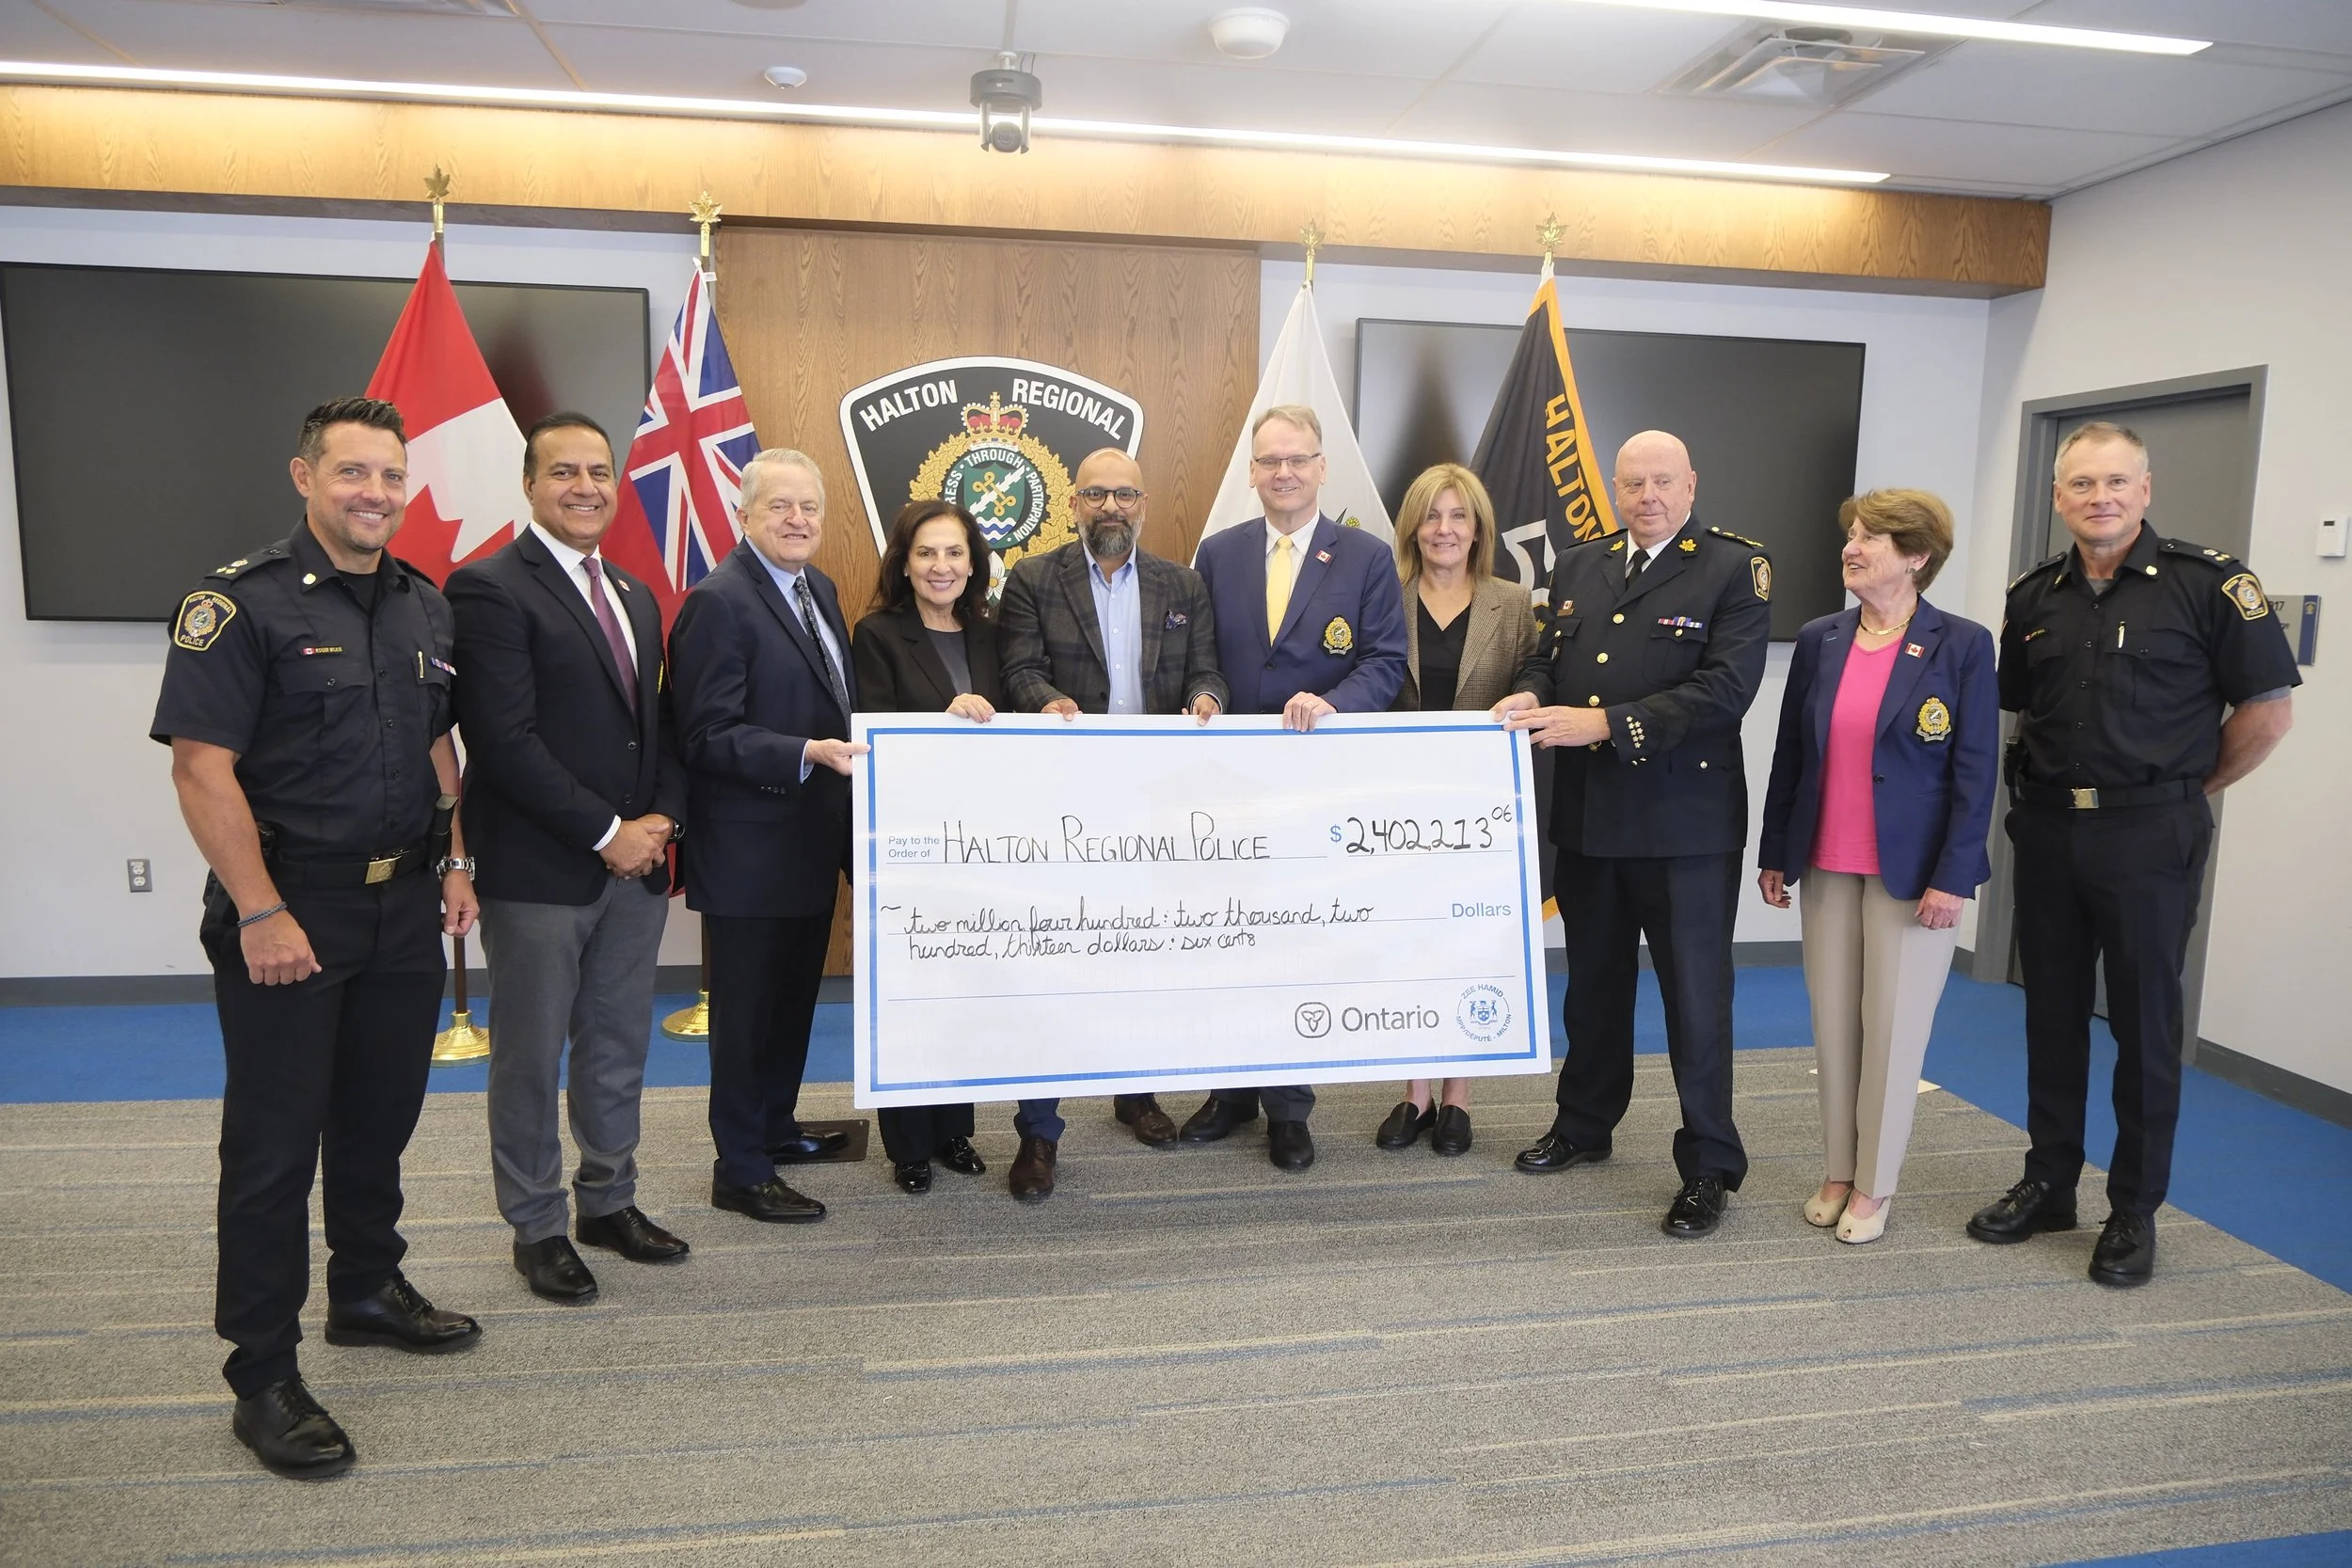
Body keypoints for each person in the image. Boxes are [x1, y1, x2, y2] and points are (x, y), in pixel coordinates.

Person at [151, 396, 483, 1481]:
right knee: (273, 1147)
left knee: (380, 1117)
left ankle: (366, 1289)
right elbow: (202, 768)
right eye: (351, 474)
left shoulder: (423, 606)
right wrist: (259, 908)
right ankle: (263, 1372)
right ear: (305, 478)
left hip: (399, 910)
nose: (374, 494)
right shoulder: (236, 603)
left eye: (389, 476)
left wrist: (457, 861)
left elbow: (441, 749)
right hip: (289, 910)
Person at [1968, 421, 2296, 1286]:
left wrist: (2186, 794)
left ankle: (2133, 1209)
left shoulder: (2212, 584)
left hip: (2151, 834)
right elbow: (2019, 707)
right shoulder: (2034, 594)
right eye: (2082, 484)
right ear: (2058, 497)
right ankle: (2050, 1182)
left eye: (2116, 481)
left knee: (2147, 1023)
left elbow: (2266, 714)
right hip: (2046, 829)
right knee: (2050, 1013)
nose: (2100, 497)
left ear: (2146, 489)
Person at [1493, 430, 1771, 1238]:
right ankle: (1583, 1124)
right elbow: (1551, 660)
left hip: (1684, 827)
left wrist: (1605, 725)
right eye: (1632, 483)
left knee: (1695, 1000)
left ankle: (1711, 1163)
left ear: (1690, 485)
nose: (1646, 495)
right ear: (1615, 488)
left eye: (1662, 481)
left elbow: (1724, 691)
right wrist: (1525, 691)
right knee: (1594, 987)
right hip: (1589, 819)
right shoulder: (1580, 564)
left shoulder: (1733, 568)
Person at [446, 412, 691, 1306]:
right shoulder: (487, 589)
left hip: (636, 870)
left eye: (599, 470)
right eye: (564, 472)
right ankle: (538, 1226)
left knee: (618, 1045)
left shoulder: (634, 594)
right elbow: (503, 742)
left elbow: (658, 727)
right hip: (544, 873)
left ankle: (608, 1201)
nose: (585, 486)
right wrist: (607, 832)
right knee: (530, 1054)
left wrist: (661, 816)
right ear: (529, 484)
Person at [1757, 489, 1997, 1244]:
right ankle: (1837, 1167)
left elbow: (1976, 767)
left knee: (1892, 1033)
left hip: (1912, 874)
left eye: (1872, 538)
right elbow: (1791, 754)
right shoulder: (1821, 637)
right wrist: (1774, 852)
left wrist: (1955, 874)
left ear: (1917, 555)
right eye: (1851, 535)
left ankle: (1876, 1182)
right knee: (1834, 1028)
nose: (1852, 548)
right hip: (1826, 862)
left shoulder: (1961, 644)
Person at [1183, 404, 1408, 1170]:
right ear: (1252, 471)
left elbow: (1385, 661)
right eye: (1270, 461)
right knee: (1227, 941)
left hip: (1317, 787)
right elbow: (1200, 654)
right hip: (1228, 786)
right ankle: (1230, 1092)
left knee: (1292, 945)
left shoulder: (1368, 557)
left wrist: (1334, 704)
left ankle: (1288, 1108)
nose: (1284, 473)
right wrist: (1206, 695)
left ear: (1321, 468)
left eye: (1298, 460)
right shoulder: (1217, 552)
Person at [996, 447, 1230, 1174]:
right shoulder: (1034, 578)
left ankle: (1136, 1090)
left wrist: (1208, 700)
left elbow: (1207, 667)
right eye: (1097, 495)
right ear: (1074, 504)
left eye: (1125, 494)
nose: (1112, 508)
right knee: (1054, 959)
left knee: (1143, 951)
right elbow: (1019, 668)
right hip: (1065, 799)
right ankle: (1039, 1126)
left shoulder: (1181, 582)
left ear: (1145, 503)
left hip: (1156, 801)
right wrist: (1047, 701)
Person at [668, 449, 866, 1227]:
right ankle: (740, 1167)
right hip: (750, 853)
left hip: (809, 847)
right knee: (747, 1016)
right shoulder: (719, 601)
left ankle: (775, 1130)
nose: (796, 520)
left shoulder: (818, 588)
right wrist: (801, 753)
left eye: (809, 507)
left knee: (791, 1006)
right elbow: (705, 734)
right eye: (779, 506)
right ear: (743, 515)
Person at [1375, 462, 1540, 1158]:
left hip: (1481, 812)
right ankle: (1413, 1093)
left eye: (1459, 516)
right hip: (1398, 807)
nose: (1445, 529)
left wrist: (1529, 694)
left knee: (1469, 944)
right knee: (1411, 942)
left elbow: (1538, 672)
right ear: (1414, 525)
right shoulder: (1385, 596)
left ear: (1479, 529)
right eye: (1432, 515)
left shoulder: (1515, 602)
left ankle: (1458, 1095)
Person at [850, 499, 1006, 1196]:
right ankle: (909, 1145)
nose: (941, 566)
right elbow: (870, 729)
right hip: (908, 845)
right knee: (910, 994)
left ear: (973, 563)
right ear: (904, 563)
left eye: (954, 553)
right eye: (926, 553)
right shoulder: (877, 633)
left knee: (965, 992)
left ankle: (954, 1131)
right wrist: (937, 719)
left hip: (982, 846)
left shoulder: (992, 634)